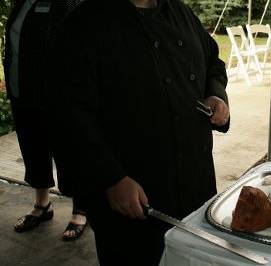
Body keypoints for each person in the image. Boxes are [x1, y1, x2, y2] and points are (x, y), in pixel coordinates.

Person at [46, 0, 230, 264]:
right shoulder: (83, 25)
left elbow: (213, 60)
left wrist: (216, 93)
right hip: (134, 201)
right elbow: (67, 116)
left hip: (196, 188)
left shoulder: (180, 12)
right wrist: (111, 179)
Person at [4, 0, 87, 241]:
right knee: (33, 150)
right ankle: (42, 205)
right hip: (22, 93)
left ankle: (81, 210)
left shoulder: (71, 2)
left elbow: (78, 48)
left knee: (72, 153)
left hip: (58, 97)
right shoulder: (22, 3)